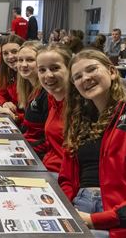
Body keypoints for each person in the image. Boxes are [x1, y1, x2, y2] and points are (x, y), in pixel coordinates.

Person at [60, 49, 126, 237]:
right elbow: (66, 177)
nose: (85, 78)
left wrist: (95, 220)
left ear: (111, 71)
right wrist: (65, 206)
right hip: (79, 204)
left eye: (92, 69)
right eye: (77, 76)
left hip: (118, 217)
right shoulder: (79, 119)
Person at [36, 43, 72, 175]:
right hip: (46, 169)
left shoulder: (78, 106)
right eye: (42, 70)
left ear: (70, 69)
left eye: (55, 68)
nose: (48, 75)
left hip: (61, 177)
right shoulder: (53, 99)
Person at [16, 41, 48, 157]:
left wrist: (23, 149)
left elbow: (48, 139)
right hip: (28, 145)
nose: (23, 65)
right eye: (20, 60)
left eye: (30, 60)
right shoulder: (29, 88)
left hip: (37, 153)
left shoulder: (47, 93)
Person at [0, 35, 25, 120]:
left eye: (14, 51)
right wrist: (4, 103)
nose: (10, 56)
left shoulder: (29, 76)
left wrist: (16, 116)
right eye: (5, 53)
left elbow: (36, 119)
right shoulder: (7, 71)